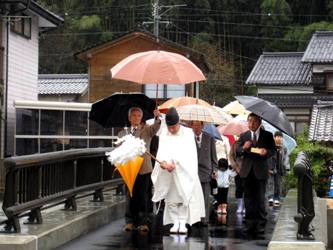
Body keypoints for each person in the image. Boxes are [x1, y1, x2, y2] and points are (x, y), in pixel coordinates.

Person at [151, 107, 205, 234]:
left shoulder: (188, 133)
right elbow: (161, 151)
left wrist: (175, 164)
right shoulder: (164, 133)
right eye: (169, 127)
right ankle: (175, 222)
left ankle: (182, 221)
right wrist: (163, 163)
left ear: (178, 123)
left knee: (184, 197)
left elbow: (190, 154)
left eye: (173, 127)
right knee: (171, 200)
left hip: (184, 171)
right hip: (168, 173)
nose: (171, 129)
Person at [118, 107, 161, 233]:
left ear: (141, 118)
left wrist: (157, 118)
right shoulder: (122, 133)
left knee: (143, 195)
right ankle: (130, 221)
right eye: (133, 116)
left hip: (144, 168)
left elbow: (155, 129)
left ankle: (143, 222)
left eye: (138, 116)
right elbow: (119, 150)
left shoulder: (146, 130)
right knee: (130, 195)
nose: (136, 118)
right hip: (129, 169)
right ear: (129, 118)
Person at [236, 113, 276, 234]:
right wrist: (244, 147)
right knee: (248, 199)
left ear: (259, 122)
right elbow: (237, 151)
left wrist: (266, 152)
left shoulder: (267, 135)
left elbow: (273, 150)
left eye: (254, 121)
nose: (251, 124)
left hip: (260, 171)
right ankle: (249, 224)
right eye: (249, 121)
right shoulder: (244, 135)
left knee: (260, 198)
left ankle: (261, 224)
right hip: (247, 172)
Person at [190, 120, 218, 226]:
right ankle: (195, 219)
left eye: (198, 125)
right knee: (194, 197)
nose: (196, 128)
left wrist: (214, 170)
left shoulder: (209, 137)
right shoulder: (188, 139)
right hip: (192, 172)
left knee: (205, 197)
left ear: (202, 126)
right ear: (191, 126)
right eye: (194, 125)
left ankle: (204, 219)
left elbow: (214, 157)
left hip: (206, 171)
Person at [272, 131, 289, 206]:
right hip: (272, 169)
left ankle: (277, 198)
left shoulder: (284, 148)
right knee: (271, 184)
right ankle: (271, 198)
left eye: (280, 137)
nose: (279, 138)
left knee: (278, 185)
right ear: (274, 137)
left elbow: (286, 158)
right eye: (277, 137)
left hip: (280, 169)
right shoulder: (271, 147)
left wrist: (286, 167)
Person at [229, 140, 245, 214]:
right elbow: (231, 157)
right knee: (239, 188)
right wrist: (235, 167)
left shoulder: (248, 143)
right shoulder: (234, 144)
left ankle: (246, 206)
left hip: (247, 170)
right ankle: (240, 206)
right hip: (237, 170)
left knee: (247, 189)